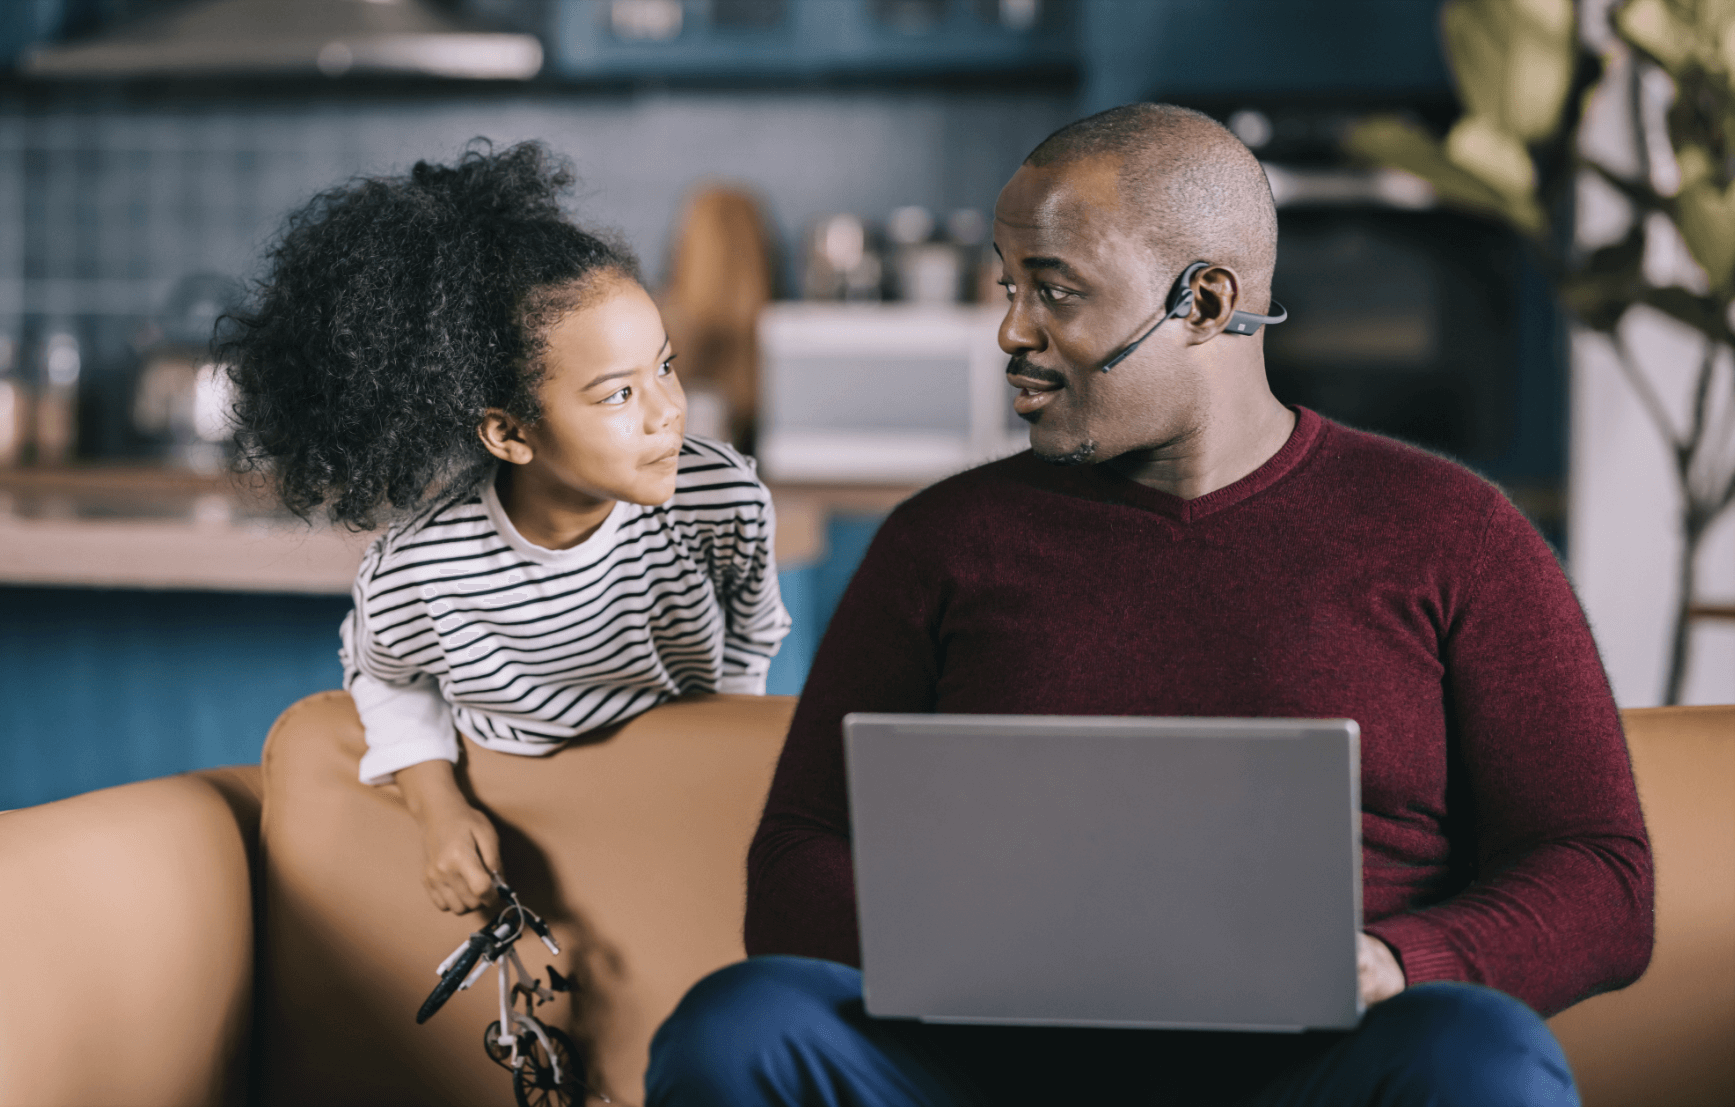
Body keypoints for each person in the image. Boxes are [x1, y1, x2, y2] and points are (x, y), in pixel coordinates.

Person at [644, 105, 1652, 1106]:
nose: (1009, 332)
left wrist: (1398, 958)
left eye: (1054, 291)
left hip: (1318, 1075)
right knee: (743, 1025)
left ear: (1205, 304)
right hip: (989, 1074)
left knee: (1479, 1052)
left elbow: (1601, 876)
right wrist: (998, 947)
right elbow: (795, 862)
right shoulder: (937, 544)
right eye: (1008, 286)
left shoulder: (1453, 533)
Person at [224, 141, 790, 915]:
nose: (668, 412)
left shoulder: (724, 498)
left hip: (677, 811)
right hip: (519, 832)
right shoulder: (423, 567)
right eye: (617, 395)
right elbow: (385, 675)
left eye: (665, 365)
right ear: (510, 433)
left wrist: (725, 776)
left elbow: (750, 640)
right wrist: (439, 810)